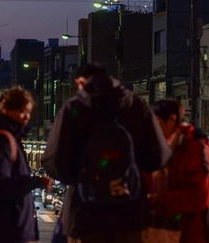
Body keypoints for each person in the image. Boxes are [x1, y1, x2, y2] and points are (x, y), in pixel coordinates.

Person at [42, 63, 171, 243]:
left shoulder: (74, 108)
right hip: (130, 215)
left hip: (85, 215)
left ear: (81, 82)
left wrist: (82, 174)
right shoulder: (136, 106)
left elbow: (53, 162)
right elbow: (159, 157)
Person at [0, 86, 53, 243]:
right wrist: (36, 181)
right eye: (22, 111)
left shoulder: (6, 137)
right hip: (2, 229)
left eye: (28, 112)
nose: (26, 117)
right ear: (6, 110)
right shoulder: (0, 140)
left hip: (4, 227)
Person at [149, 99, 209, 243]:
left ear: (172, 120)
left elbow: (200, 195)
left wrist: (157, 201)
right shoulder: (169, 149)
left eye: (158, 124)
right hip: (174, 232)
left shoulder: (195, 148)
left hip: (197, 233)